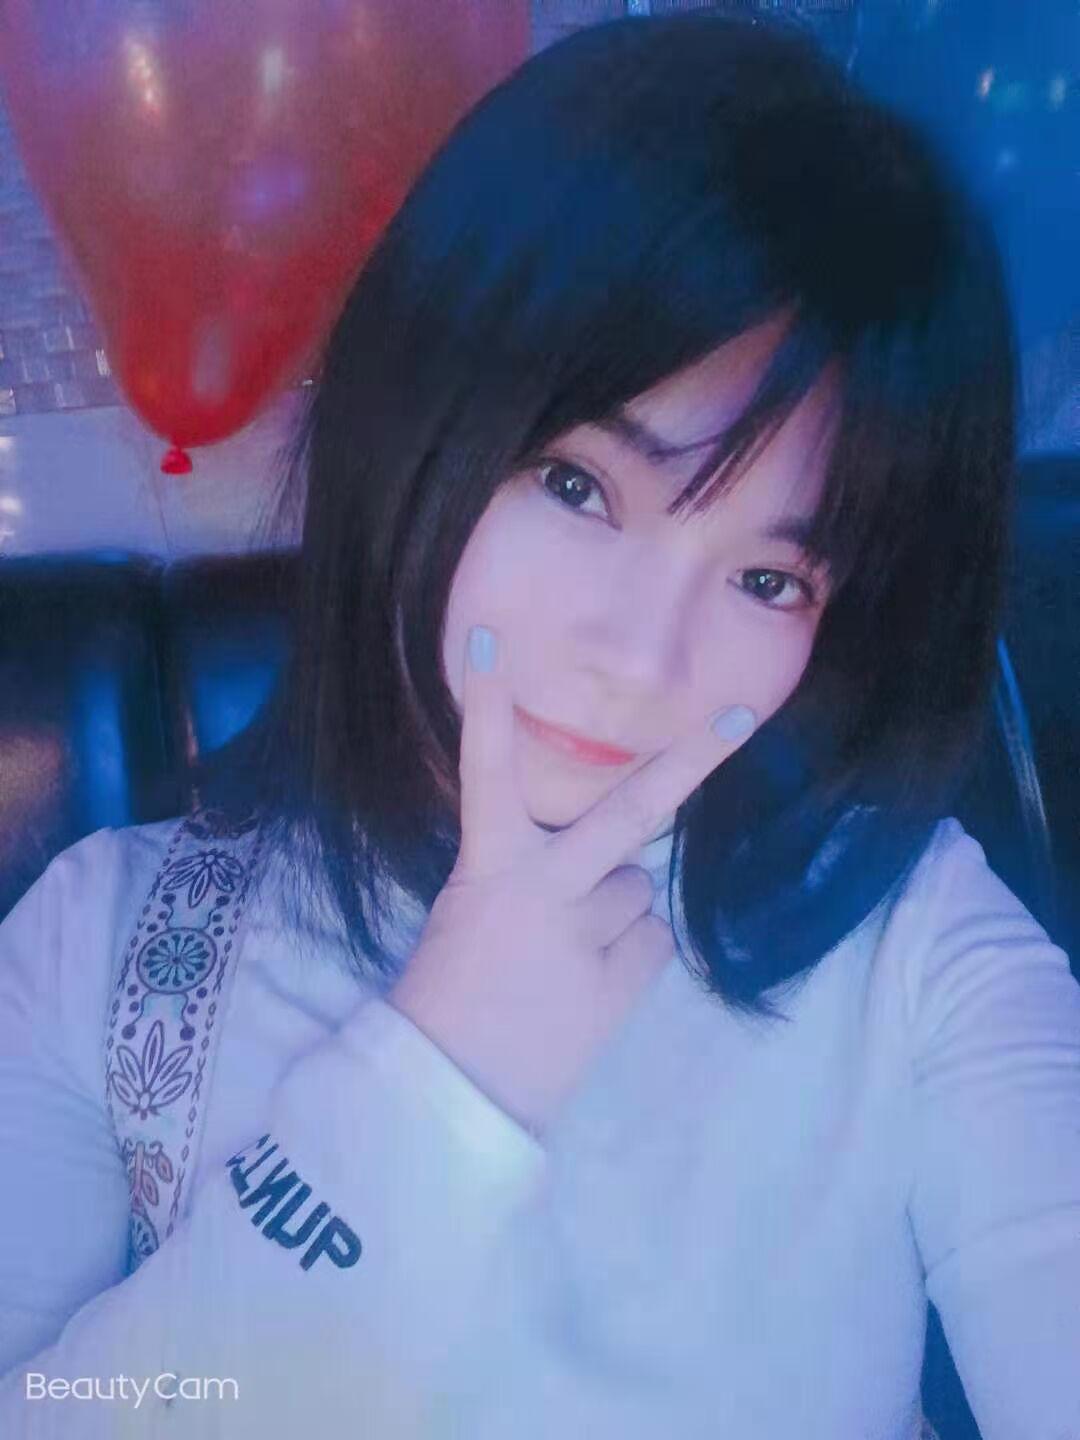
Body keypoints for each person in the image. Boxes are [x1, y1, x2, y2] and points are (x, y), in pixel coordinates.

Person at [1, 13, 1078, 1438]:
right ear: (422, 421)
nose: (638, 657)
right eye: (579, 488)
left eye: (767, 579)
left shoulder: (913, 937)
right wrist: (440, 1080)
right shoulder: (97, 950)